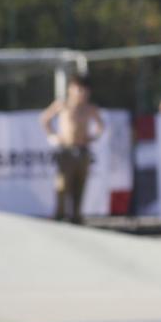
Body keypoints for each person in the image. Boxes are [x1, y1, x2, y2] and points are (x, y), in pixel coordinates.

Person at [40, 75, 105, 224]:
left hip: (83, 151)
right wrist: (53, 137)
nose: (83, 93)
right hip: (66, 150)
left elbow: (101, 126)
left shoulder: (89, 108)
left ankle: (76, 216)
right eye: (79, 89)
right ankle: (59, 214)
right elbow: (44, 119)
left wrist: (93, 137)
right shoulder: (62, 105)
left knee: (79, 186)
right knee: (62, 185)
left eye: (85, 90)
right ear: (71, 89)